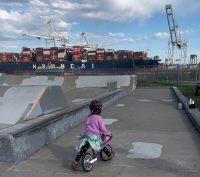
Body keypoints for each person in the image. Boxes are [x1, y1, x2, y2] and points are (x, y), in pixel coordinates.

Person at [71, 99, 112, 171]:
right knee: (101, 145)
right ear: (99, 110)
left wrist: (83, 134)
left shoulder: (89, 117)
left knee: (84, 149)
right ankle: (109, 155)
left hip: (87, 136)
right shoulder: (99, 118)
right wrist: (107, 133)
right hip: (94, 138)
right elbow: (103, 129)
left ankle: (75, 161)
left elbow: (87, 127)